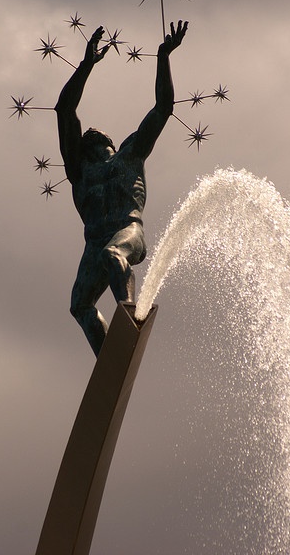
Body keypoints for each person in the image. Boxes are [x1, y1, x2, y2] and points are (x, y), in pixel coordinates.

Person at [55, 20, 188, 355]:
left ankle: (129, 317)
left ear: (112, 145)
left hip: (128, 232)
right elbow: (65, 109)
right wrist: (86, 65)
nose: (92, 134)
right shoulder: (79, 171)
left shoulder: (129, 155)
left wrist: (163, 56)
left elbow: (163, 109)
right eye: (87, 139)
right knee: (80, 304)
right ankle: (109, 358)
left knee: (113, 255)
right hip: (94, 241)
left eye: (98, 138)